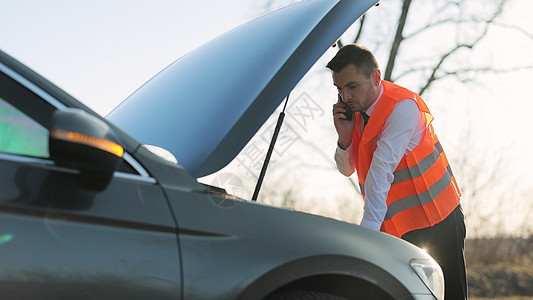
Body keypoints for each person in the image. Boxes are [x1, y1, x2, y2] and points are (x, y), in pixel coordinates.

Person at [327, 44, 467, 300]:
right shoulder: (356, 115)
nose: (345, 96)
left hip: (439, 221)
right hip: (401, 229)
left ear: (376, 77)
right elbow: (347, 169)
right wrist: (344, 138)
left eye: (352, 86)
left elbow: (380, 171)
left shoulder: (403, 108)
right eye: (339, 89)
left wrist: (366, 237)